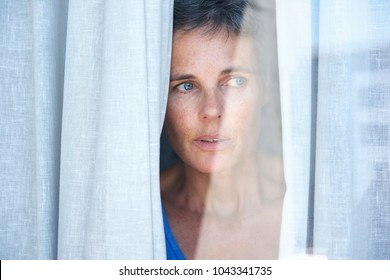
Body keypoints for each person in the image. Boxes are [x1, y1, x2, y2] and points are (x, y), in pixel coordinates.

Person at [160, 0, 285, 260]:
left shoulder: (312, 199)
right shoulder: (133, 209)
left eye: (234, 81)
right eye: (185, 86)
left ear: (266, 87)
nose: (212, 110)